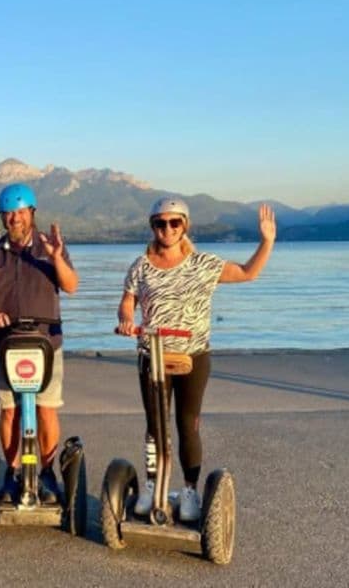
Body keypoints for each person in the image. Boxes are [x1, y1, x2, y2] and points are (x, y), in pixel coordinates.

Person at [117, 197, 276, 521]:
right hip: (153, 355)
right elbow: (127, 302)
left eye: (174, 223)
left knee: (187, 425)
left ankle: (189, 491)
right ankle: (152, 486)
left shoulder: (202, 264)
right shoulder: (140, 266)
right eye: (160, 223)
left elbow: (247, 273)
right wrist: (125, 320)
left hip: (192, 355)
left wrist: (266, 242)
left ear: (184, 226)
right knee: (155, 425)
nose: (167, 229)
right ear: (153, 227)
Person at [0, 183, 79, 504]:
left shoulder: (50, 247)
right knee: (9, 411)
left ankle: (46, 471)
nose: (14, 218)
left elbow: (71, 285)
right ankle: (13, 470)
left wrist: (57, 257)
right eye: (8, 213)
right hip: (5, 345)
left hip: (46, 343)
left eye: (20, 212)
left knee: (46, 410)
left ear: (32, 213)